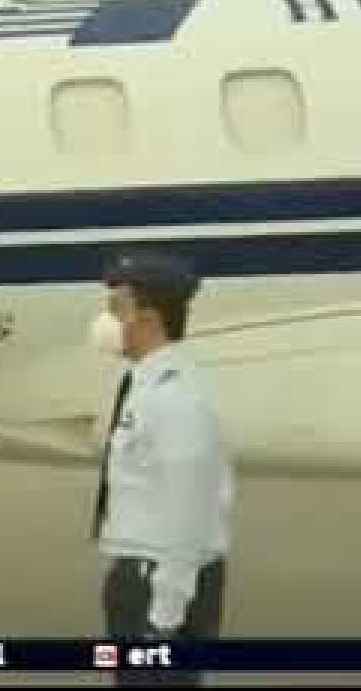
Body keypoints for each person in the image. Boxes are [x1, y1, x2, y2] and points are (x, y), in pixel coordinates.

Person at [88, 251, 235, 687]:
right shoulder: (147, 385)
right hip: (142, 575)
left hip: (159, 582)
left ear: (149, 320)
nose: (106, 321)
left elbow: (188, 506)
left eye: (117, 309)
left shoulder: (174, 397)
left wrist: (165, 615)